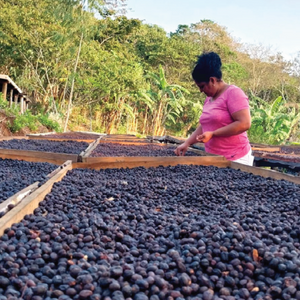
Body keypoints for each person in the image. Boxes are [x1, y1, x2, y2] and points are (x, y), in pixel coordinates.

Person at [175, 51, 254, 166]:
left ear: (212, 80)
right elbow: (205, 126)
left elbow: (245, 123)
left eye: (202, 86)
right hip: (213, 157)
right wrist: (187, 143)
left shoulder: (233, 93)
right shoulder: (209, 99)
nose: (201, 91)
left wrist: (213, 134)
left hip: (235, 158)